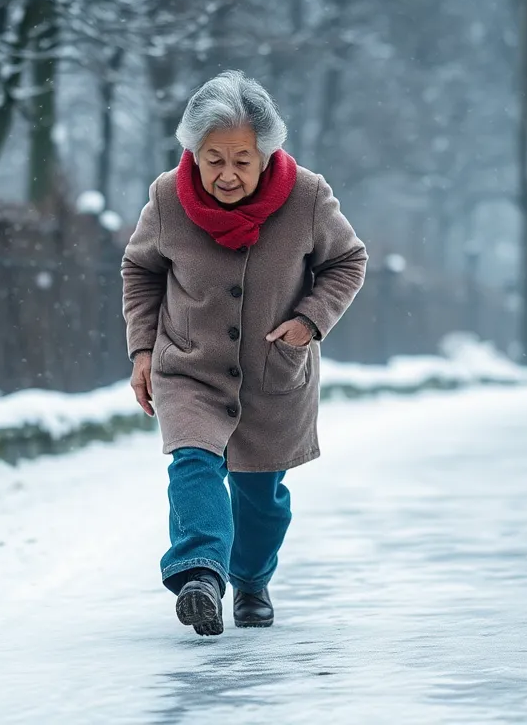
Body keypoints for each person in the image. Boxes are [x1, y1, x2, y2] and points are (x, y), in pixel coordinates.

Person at [121, 70, 368, 636]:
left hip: (273, 372)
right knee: (194, 464)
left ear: (265, 155)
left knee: (262, 498)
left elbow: (348, 260)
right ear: (193, 153)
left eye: (241, 159)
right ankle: (201, 574)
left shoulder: (307, 196)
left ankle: (251, 579)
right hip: (188, 364)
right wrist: (141, 350)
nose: (226, 174)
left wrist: (310, 320)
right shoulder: (166, 199)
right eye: (213, 159)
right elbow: (140, 269)